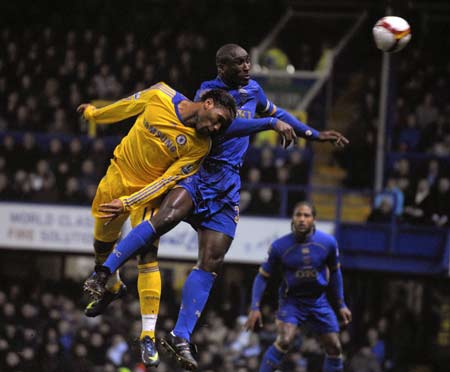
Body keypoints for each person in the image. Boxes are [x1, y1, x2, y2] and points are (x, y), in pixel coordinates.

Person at [84, 44, 349, 371]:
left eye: (248, 61)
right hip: (200, 172)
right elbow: (230, 127)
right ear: (222, 68)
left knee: (211, 261)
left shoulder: (253, 90)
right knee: (164, 220)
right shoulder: (209, 94)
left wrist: (314, 134)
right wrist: (266, 126)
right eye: (239, 64)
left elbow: (276, 114)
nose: (247, 67)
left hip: (228, 186)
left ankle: (180, 336)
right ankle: (104, 271)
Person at [78, 82, 238, 368]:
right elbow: (126, 106)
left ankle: (147, 335)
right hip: (116, 178)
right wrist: (94, 114)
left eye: (221, 127)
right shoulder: (160, 95)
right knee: (101, 246)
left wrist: (130, 202)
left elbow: (167, 181)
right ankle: (113, 288)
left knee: (147, 256)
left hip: (148, 195)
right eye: (217, 121)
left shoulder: (200, 146)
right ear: (208, 103)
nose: (215, 128)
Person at [244, 201, 352, 372]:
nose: (302, 219)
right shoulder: (280, 246)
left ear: (314, 219)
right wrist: (254, 307)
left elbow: (336, 273)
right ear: (292, 219)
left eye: (306, 215)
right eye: (298, 215)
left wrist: (341, 304)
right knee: (285, 340)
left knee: (334, 347)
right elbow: (262, 277)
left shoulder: (328, 243)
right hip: (291, 301)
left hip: (318, 301)